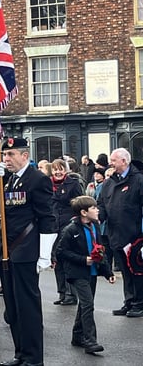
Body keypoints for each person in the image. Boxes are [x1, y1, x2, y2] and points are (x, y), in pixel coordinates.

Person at [0, 138, 57, 366]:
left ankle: (33, 358)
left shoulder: (37, 179)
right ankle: (20, 353)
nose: (6, 159)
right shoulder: (7, 180)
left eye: (10, 154)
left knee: (27, 307)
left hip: (26, 251)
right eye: (4, 154)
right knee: (12, 307)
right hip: (7, 252)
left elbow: (48, 218)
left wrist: (45, 254)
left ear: (24, 155)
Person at [57, 195, 116, 354]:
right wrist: (83, 260)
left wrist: (107, 272)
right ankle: (90, 341)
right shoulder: (71, 229)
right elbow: (61, 252)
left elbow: (99, 250)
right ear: (83, 212)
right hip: (77, 273)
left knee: (85, 304)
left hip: (92, 272)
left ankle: (77, 336)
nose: (97, 210)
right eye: (94, 208)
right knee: (88, 304)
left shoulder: (95, 226)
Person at [98, 147, 143, 318]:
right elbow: (101, 203)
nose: (110, 163)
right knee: (125, 271)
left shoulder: (138, 180)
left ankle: (139, 303)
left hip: (135, 237)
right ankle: (129, 301)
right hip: (115, 235)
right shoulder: (109, 183)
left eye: (113, 160)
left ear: (124, 161)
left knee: (137, 271)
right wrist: (99, 217)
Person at [51, 158, 84, 306]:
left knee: (68, 260)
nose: (58, 172)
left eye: (61, 169)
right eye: (55, 169)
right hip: (53, 226)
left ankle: (72, 294)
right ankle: (62, 292)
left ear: (66, 170)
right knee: (57, 260)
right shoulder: (46, 184)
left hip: (69, 226)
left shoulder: (73, 184)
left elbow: (79, 203)